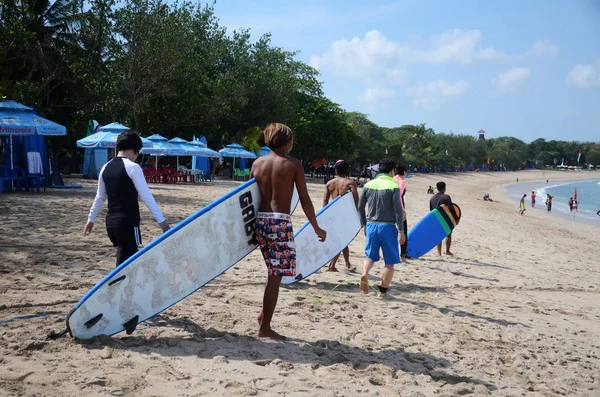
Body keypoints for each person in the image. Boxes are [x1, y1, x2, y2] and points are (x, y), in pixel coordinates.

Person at [251, 123, 327, 340]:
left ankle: (263, 316)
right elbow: (304, 199)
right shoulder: (293, 164)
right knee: (275, 276)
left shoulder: (257, 163)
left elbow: (249, 198)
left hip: (260, 221)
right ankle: (264, 327)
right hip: (279, 223)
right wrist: (316, 227)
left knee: (272, 272)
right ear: (288, 142)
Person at [84, 131, 170, 267]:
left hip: (111, 223)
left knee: (125, 259)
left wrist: (91, 219)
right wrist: (162, 222)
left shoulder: (105, 168)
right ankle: (117, 287)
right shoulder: (133, 167)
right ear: (134, 150)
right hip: (127, 223)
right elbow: (146, 196)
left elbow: (100, 197)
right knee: (127, 264)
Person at [358, 159, 405, 297]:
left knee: (370, 256)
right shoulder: (393, 184)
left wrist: (365, 224)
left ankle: (365, 273)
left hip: (371, 225)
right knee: (389, 263)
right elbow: (398, 210)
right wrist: (401, 231)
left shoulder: (369, 184)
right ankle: (383, 292)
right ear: (392, 171)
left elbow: (360, 207)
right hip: (387, 227)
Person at [323, 160, 359, 272]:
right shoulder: (350, 183)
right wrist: (355, 216)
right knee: (341, 240)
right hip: (345, 215)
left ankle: (347, 264)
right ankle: (332, 265)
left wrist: (325, 216)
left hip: (333, 214)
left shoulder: (329, 183)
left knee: (342, 239)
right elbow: (355, 201)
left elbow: (325, 201)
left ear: (336, 170)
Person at [430, 181, 458, 256]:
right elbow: (451, 209)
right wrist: (456, 219)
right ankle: (447, 251)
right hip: (445, 219)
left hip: (436, 219)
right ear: (444, 188)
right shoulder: (446, 197)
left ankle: (439, 253)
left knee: (438, 235)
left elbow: (431, 211)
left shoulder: (432, 198)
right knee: (448, 234)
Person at [394, 164, 409, 259]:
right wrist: (402, 210)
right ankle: (403, 254)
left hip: (389, 207)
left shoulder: (393, 178)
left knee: (392, 231)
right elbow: (398, 195)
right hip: (398, 208)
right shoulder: (402, 181)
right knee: (403, 231)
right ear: (404, 172)